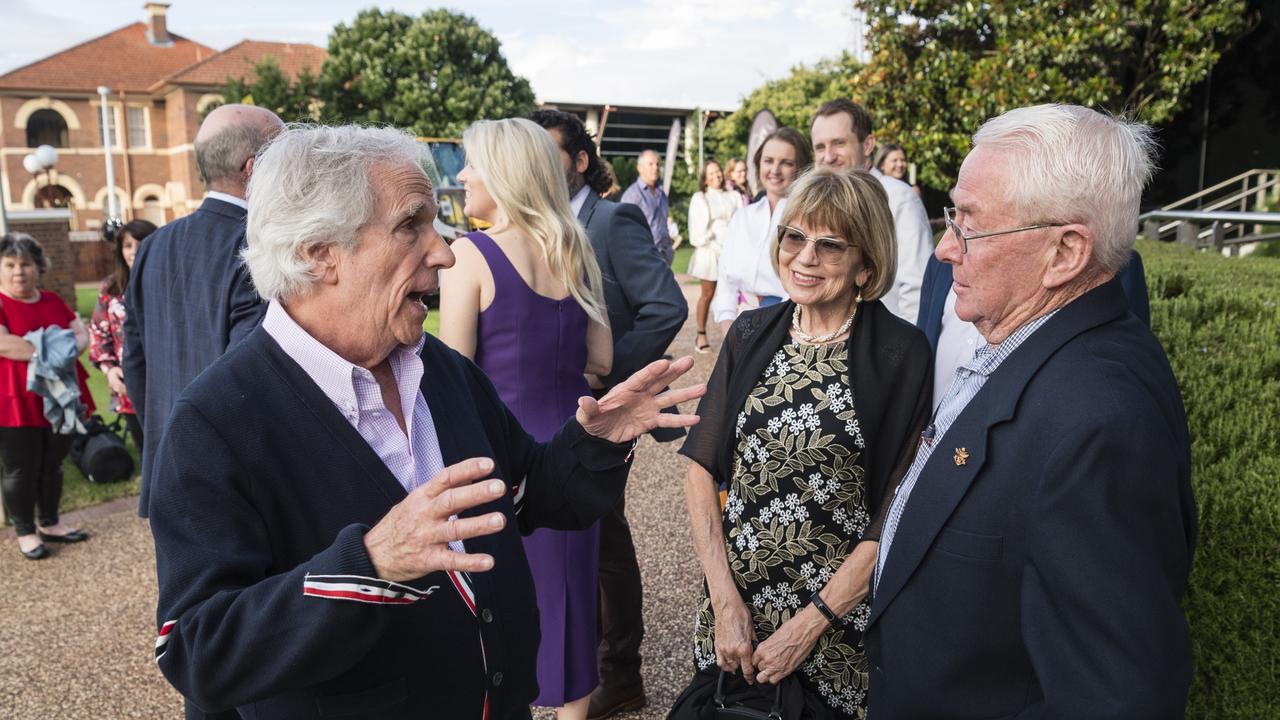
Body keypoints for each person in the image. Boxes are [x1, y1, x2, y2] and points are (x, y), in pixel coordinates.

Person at [149, 124, 704, 720]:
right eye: (412, 225)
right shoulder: (217, 420)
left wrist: (593, 441)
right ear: (320, 252)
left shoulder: (434, 366)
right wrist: (371, 563)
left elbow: (523, 494)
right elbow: (196, 647)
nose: (442, 250)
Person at [867, 104, 1195, 717]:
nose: (943, 249)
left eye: (970, 223)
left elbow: (1113, 700)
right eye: (950, 215)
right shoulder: (1042, 348)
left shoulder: (1101, 421)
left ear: (1065, 252)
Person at [678, 166, 931, 718]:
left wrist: (812, 622)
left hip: (836, 628)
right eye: (794, 237)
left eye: (830, 245)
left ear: (867, 264)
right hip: (735, 618)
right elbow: (701, 467)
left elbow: (896, 512)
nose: (804, 258)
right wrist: (724, 602)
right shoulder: (748, 334)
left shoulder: (900, 355)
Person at [440, 117, 614, 720]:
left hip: (499, 458)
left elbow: (453, 372)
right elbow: (602, 358)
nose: (461, 175)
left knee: (493, 610)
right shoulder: (575, 247)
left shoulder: (470, 255)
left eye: (472, 163)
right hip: (571, 453)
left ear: (506, 174)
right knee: (571, 601)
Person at [528, 109, 689, 720]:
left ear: (579, 161)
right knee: (571, 531)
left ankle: (619, 674)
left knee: (604, 535)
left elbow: (665, 306)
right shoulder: (538, 227)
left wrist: (609, 375)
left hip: (604, 405)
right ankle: (580, 660)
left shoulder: (611, 218)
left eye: (549, 154)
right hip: (553, 410)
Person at [123, 103, 283, 518]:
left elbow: (134, 359)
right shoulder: (258, 251)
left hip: (166, 461)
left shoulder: (155, 244)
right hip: (234, 474)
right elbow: (252, 373)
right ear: (254, 168)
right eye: (285, 157)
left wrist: (160, 432)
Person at [917, 249, 1152, 410]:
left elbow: (1122, 375)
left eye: (971, 217)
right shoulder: (941, 263)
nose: (945, 248)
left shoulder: (1115, 266)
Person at [0, 233, 94, 560]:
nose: (18, 271)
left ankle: (51, 523)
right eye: (10, 264)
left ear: (38, 267)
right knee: (20, 467)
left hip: (61, 396)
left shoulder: (53, 300)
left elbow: (81, 334)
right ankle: (25, 530)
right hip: (16, 400)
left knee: (52, 464)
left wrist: (49, 350)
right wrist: (57, 350)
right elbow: (4, 344)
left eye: (25, 264)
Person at [811, 100, 933, 325]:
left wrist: (905, 352)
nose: (828, 157)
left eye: (838, 143)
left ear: (867, 145)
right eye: (820, 147)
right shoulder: (813, 205)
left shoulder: (898, 198)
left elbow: (918, 287)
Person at [711, 127, 811, 333]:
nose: (775, 170)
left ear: (801, 168)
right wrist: (727, 325)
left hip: (789, 325)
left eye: (786, 163)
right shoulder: (743, 217)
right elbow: (726, 278)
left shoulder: (809, 219)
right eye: (768, 160)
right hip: (740, 321)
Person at [89, 219, 156, 450]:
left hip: (164, 384)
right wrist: (110, 371)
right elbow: (99, 334)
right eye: (128, 245)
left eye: (141, 243)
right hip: (128, 387)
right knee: (145, 453)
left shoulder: (168, 283)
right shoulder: (111, 288)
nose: (134, 251)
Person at [686, 160, 740, 353]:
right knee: (708, 294)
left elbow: (740, 221)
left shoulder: (734, 195)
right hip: (710, 251)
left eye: (718, 171)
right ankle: (701, 334)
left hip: (733, 249)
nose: (716, 175)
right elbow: (697, 232)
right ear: (705, 179)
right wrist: (715, 243)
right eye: (711, 173)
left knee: (736, 295)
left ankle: (734, 336)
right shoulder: (701, 198)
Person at [620, 149, 674, 263]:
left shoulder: (662, 194)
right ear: (639, 168)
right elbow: (624, 230)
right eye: (651, 164)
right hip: (643, 258)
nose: (655, 168)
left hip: (664, 256)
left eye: (657, 164)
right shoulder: (632, 195)